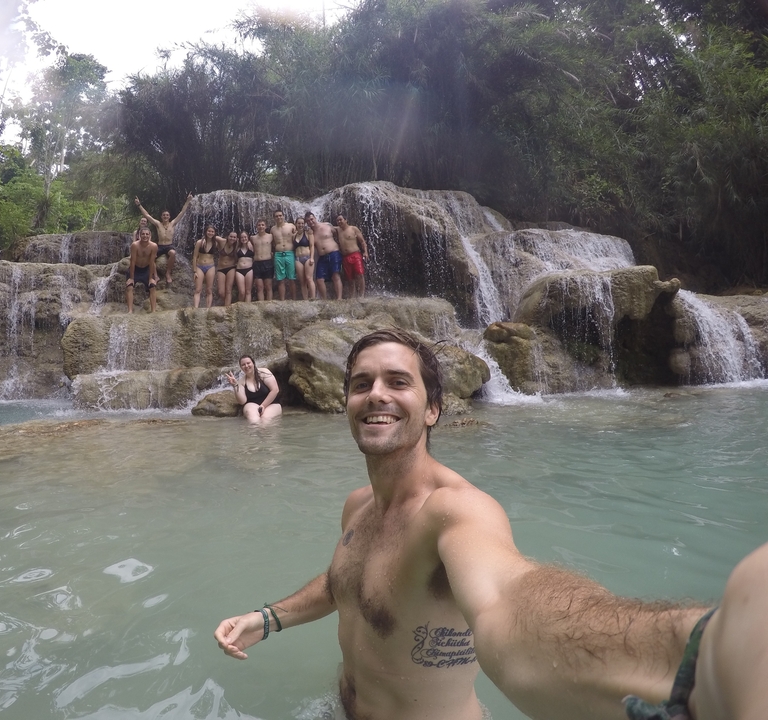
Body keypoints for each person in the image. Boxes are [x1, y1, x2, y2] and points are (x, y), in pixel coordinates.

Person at [215, 328, 743, 720]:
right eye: (362, 383)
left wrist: (694, 657)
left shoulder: (458, 512)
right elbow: (345, 582)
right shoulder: (359, 505)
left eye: (398, 382)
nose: (376, 394)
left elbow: (508, 603)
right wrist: (269, 617)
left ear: (432, 410)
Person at [134, 193, 193, 287]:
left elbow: (182, 212)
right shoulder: (158, 224)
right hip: (160, 246)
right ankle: (156, 276)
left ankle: (168, 273)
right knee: (151, 257)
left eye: (167, 215)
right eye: (164, 215)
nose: (165, 216)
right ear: (161, 217)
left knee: (173, 253)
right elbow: (147, 215)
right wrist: (139, 205)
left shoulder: (173, 223)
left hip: (169, 245)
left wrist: (188, 201)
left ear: (169, 217)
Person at [225, 355, 282, 424]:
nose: (246, 366)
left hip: (271, 404)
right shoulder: (242, 381)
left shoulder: (264, 373)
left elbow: (275, 390)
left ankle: (266, 434)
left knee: (265, 419)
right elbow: (242, 401)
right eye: (243, 365)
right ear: (241, 367)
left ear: (253, 363)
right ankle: (254, 434)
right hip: (253, 405)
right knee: (253, 420)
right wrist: (235, 385)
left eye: (248, 363)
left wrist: (263, 406)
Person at [305, 211, 343, 300]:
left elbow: (338, 233)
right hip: (322, 257)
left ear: (315, 218)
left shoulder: (327, 225)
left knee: (335, 276)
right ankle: (324, 299)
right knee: (319, 279)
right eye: (308, 221)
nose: (311, 222)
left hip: (334, 253)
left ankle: (339, 298)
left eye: (312, 219)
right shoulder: (310, 233)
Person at [124, 227, 158, 313]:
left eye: (147, 234)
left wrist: (151, 278)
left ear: (150, 235)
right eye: (143, 234)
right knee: (129, 287)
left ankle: (154, 311)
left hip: (146, 269)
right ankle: (130, 311)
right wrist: (131, 278)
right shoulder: (135, 245)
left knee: (152, 287)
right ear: (139, 235)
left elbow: (152, 262)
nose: (145, 236)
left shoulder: (153, 246)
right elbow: (132, 261)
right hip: (135, 269)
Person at [336, 214, 369, 298]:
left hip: (355, 255)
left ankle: (361, 295)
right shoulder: (337, 230)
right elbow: (328, 226)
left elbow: (362, 241)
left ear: (346, 220)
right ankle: (352, 296)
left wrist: (365, 252)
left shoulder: (353, 229)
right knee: (350, 278)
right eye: (337, 220)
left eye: (341, 219)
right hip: (345, 257)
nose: (339, 222)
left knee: (360, 274)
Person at [271, 209, 297, 301]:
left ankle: (294, 299)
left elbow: (298, 237)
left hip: (290, 253)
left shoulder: (291, 226)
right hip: (278, 255)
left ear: (283, 216)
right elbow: (272, 243)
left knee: (291, 278)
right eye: (277, 216)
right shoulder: (272, 229)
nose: (279, 217)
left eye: (280, 215)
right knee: (280, 279)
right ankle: (282, 300)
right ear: (274, 218)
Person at [192, 225, 217, 308]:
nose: (210, 233)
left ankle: (208, 309)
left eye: (212, 231)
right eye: (209, 231)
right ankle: (195, 308)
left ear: (214, 233)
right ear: (206, 232)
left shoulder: (215, 243)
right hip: (200, 266)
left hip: (210, 266)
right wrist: (194, 271)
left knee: (209, 290)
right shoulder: (200, 242)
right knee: (198, 289)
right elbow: (195, 256)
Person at [251, 219, 275, 301]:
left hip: (268, 263)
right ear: (256, 227)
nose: (261, 226)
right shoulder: (253, 238)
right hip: (257, 263)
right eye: (259, 225)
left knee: (268, 286)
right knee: (259, 287)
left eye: (262, 225)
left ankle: (269, 306)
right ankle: (261, 306)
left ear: (266, 226)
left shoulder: (271, 236)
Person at [293, 219, 316, 300]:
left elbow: (312, 246)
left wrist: (312, 258)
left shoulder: (308, 233)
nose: (301, 225)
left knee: (309, 278)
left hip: (307, 257)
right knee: (302, 281)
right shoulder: (294, 235)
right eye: (299, 223)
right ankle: (305, 300)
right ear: (296, 224)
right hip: (298, 259)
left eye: (302, 223)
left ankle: (313, 298)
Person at [216, 230, 239, 307]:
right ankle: (228, 304)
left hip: (231, 268)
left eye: (234, 237)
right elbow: (213, 236)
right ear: (228, 236)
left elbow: (246, 241)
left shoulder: (237, 244)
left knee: (228, 290)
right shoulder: (222, 241)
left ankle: (227, 308)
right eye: (231, 236)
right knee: (221, 292)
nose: (232, 238)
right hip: (220, 269)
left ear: (236, 238)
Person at [234, 231, 254, 303]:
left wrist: (250, 242)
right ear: (239, 239)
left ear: (248, 237)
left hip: (249, 270)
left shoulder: (252, 246)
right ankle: (240, 308)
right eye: (242, 237)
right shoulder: (237, 247)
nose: (244, 238)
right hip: (239, 270)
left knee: (248, 291)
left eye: (245, 237)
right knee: (242, 292)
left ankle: (247, 309)